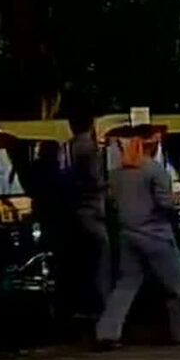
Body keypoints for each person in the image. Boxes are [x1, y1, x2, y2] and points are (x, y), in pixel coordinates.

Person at [94, 127, 180, 351]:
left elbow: (112, 204)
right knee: (175, 285)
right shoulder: (154, 171)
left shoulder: (117, 173)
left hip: (128, 234)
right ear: (150, 144)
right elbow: (165, 204)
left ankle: (106, 331)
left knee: (125, 286)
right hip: (156, 235)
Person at [65, 107, 112, 324]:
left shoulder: (67, 147)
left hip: (74, 210)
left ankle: (83, 306)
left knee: (83, 261)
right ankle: (103, 310)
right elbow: (95, 180)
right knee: (101, 261)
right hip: (93, 209)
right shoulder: (89, 149)